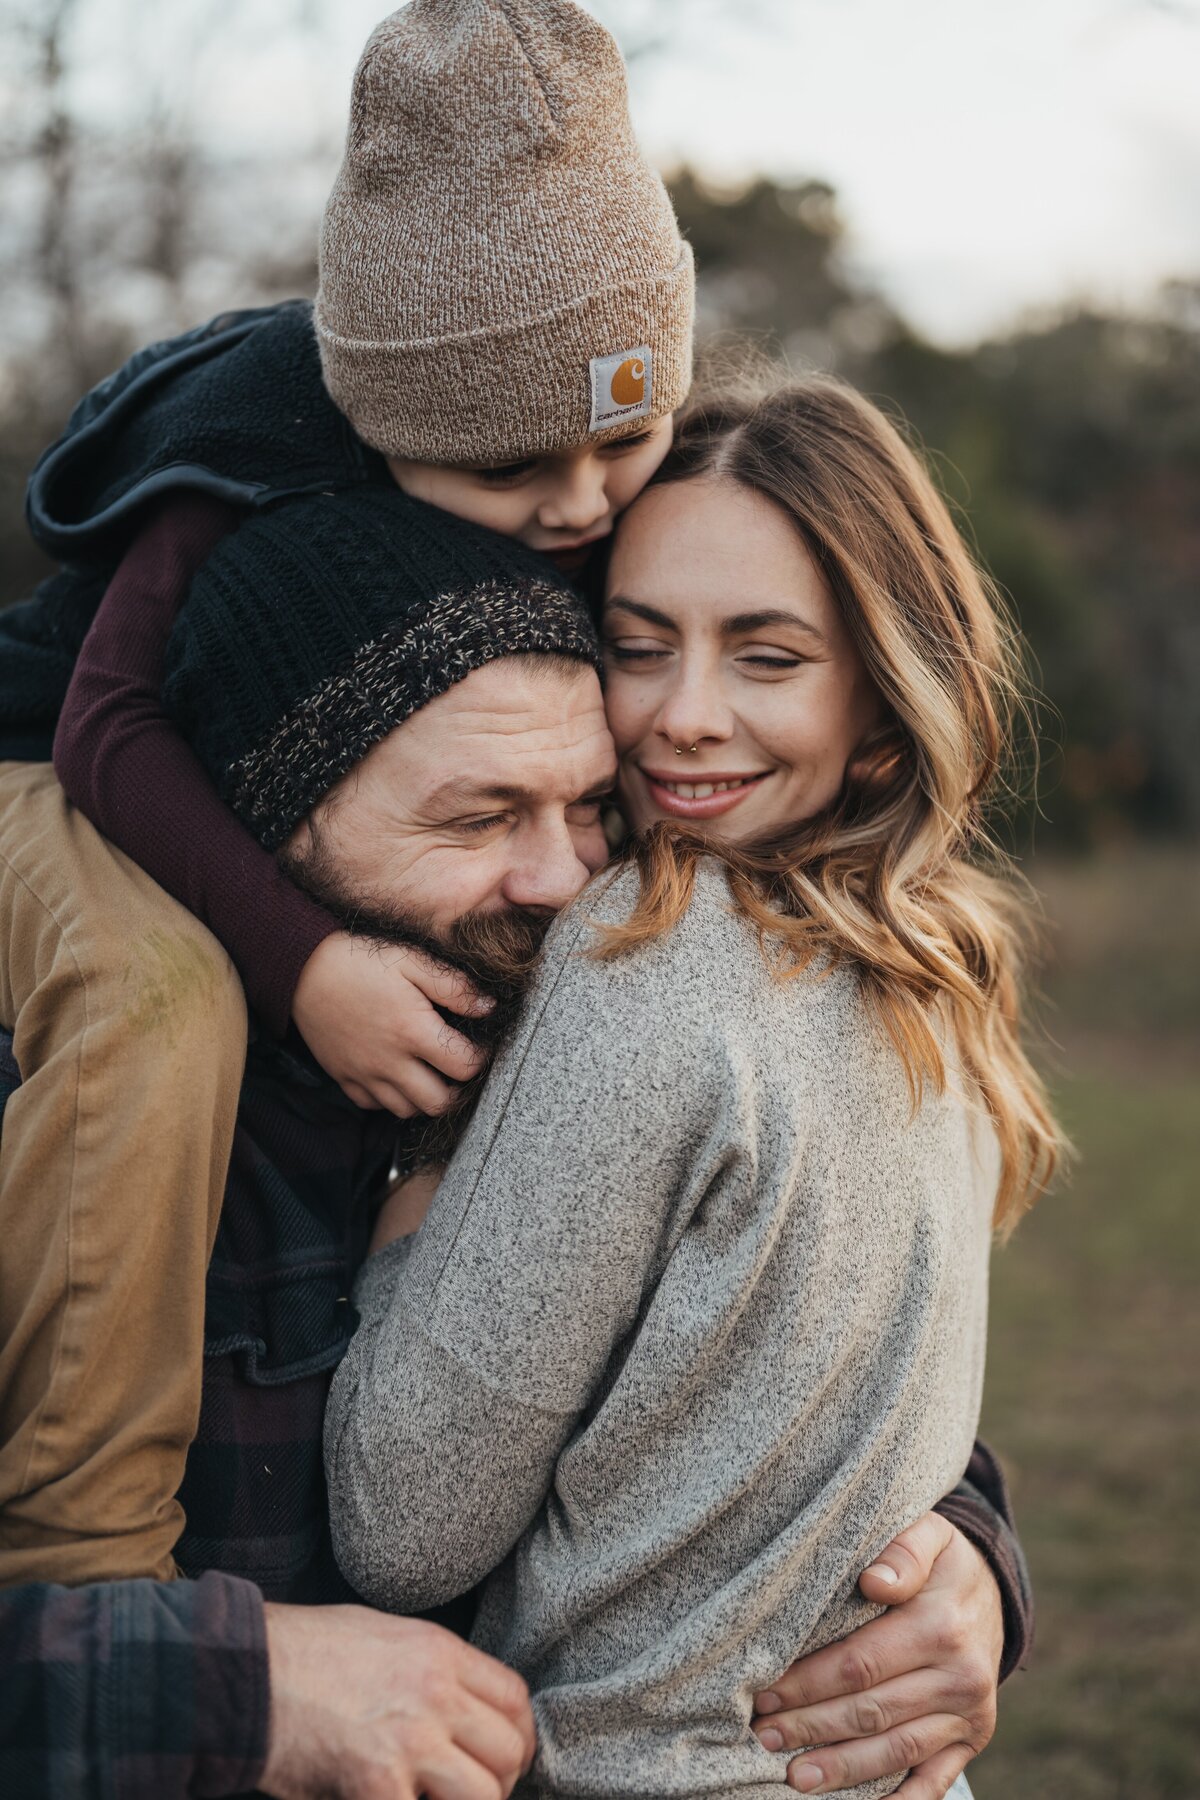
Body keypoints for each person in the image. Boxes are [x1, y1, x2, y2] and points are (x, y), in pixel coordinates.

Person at [0, 485, 1028, 1798]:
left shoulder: (571, 1054)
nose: (565, 882)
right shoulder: (65, 1124)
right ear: (262, 825)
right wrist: (228, 1691)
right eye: (478, 820)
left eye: (592, 806)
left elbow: (768, 1368)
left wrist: (963, 1554)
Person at [0, 0, 694, 1592]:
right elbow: (111, 737)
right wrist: (304, 968)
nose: (582, 507)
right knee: (156, 999)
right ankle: (84, 1561)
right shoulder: (246, 449)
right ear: (388, 417)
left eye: (624, 442)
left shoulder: (599, 467)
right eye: (519, 477)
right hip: (44, 772)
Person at [323, 373, 1067, 1799]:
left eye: (767, 657)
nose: (681, 715)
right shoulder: (938, 975)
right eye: (638, 642)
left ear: (883, 695)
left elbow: (400, 1518)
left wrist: (427, 1160)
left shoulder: (644, 953)